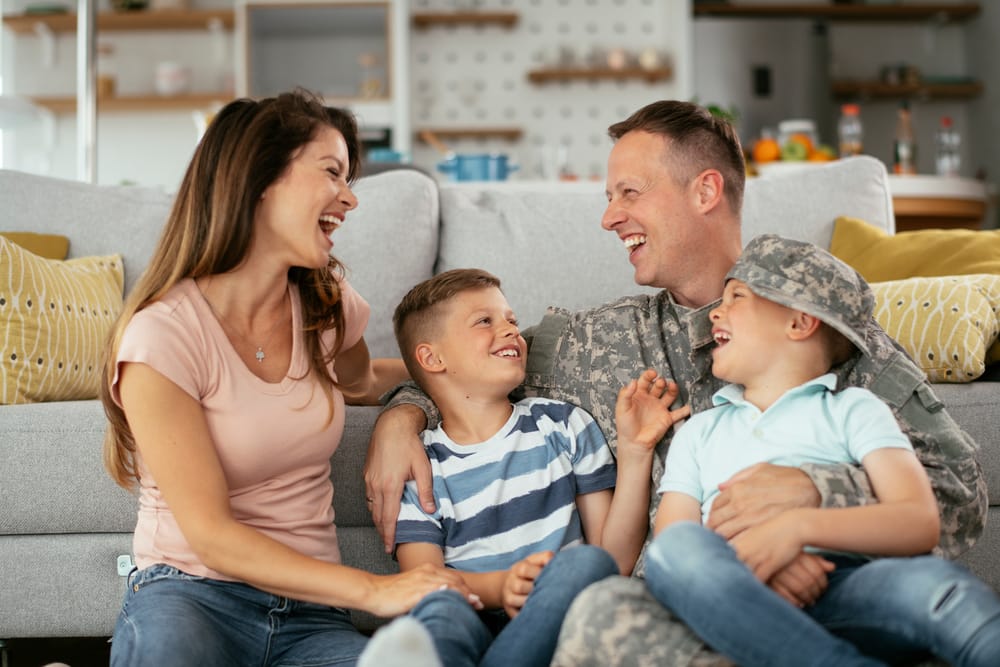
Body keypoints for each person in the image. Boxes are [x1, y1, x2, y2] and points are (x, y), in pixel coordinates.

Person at [364, 100, 987, 665]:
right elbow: (465, 368)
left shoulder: (819, 324)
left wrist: (812, 495)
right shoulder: (592, 342)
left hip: (832, 589)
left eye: (629, 192)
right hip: (676, 617)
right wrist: (402, 417)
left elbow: (958, 496)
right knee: (600, 622)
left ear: (705, 191)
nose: (610, 217)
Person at [99, 90, 478, 667]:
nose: (350, 198)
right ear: (259, 177)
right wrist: (375, 590)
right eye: (332, 173)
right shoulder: (163, 337)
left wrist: (419, 402)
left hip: (308, 616)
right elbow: (210, 534)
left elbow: (365, 380)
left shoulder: (324, 305)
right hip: (190, 595)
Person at [646, 234, 1000, 667]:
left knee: (939, 588)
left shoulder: (855, 409)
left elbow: (918, 520)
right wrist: (762, 563)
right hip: (738, 598)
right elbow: (674, 544)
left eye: (736, 296)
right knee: (674, 552)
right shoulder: (699, 431)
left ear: (799, 323)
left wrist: (795, 529)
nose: (714, 312)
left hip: (850, 587)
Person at [363, 268, 689, 667]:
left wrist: (636, 452)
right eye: (485, 321)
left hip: (557, 619)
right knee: (440, 611)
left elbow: (613, 561)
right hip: (470, 621)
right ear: (432, 357)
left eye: (511, 320)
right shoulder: (420, 465)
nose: (511, 331)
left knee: (587, 563)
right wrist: (506, 586)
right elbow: (422, 583)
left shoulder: (563, 424)